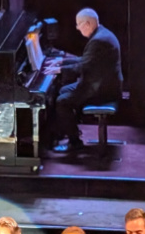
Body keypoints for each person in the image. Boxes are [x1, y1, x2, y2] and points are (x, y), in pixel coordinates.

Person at [47, 9, 122, 154]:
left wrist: (59, 70)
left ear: (87, 24)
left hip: (103, 90)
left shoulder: (99, 41)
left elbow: (83, 66)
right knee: (62, 91)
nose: (77, 28)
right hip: (101, 83)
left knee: (62, 102)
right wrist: (61, 63)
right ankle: (68, 129)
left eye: (78, 24)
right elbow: (86, 60)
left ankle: (75, 142)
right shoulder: (102, 34)